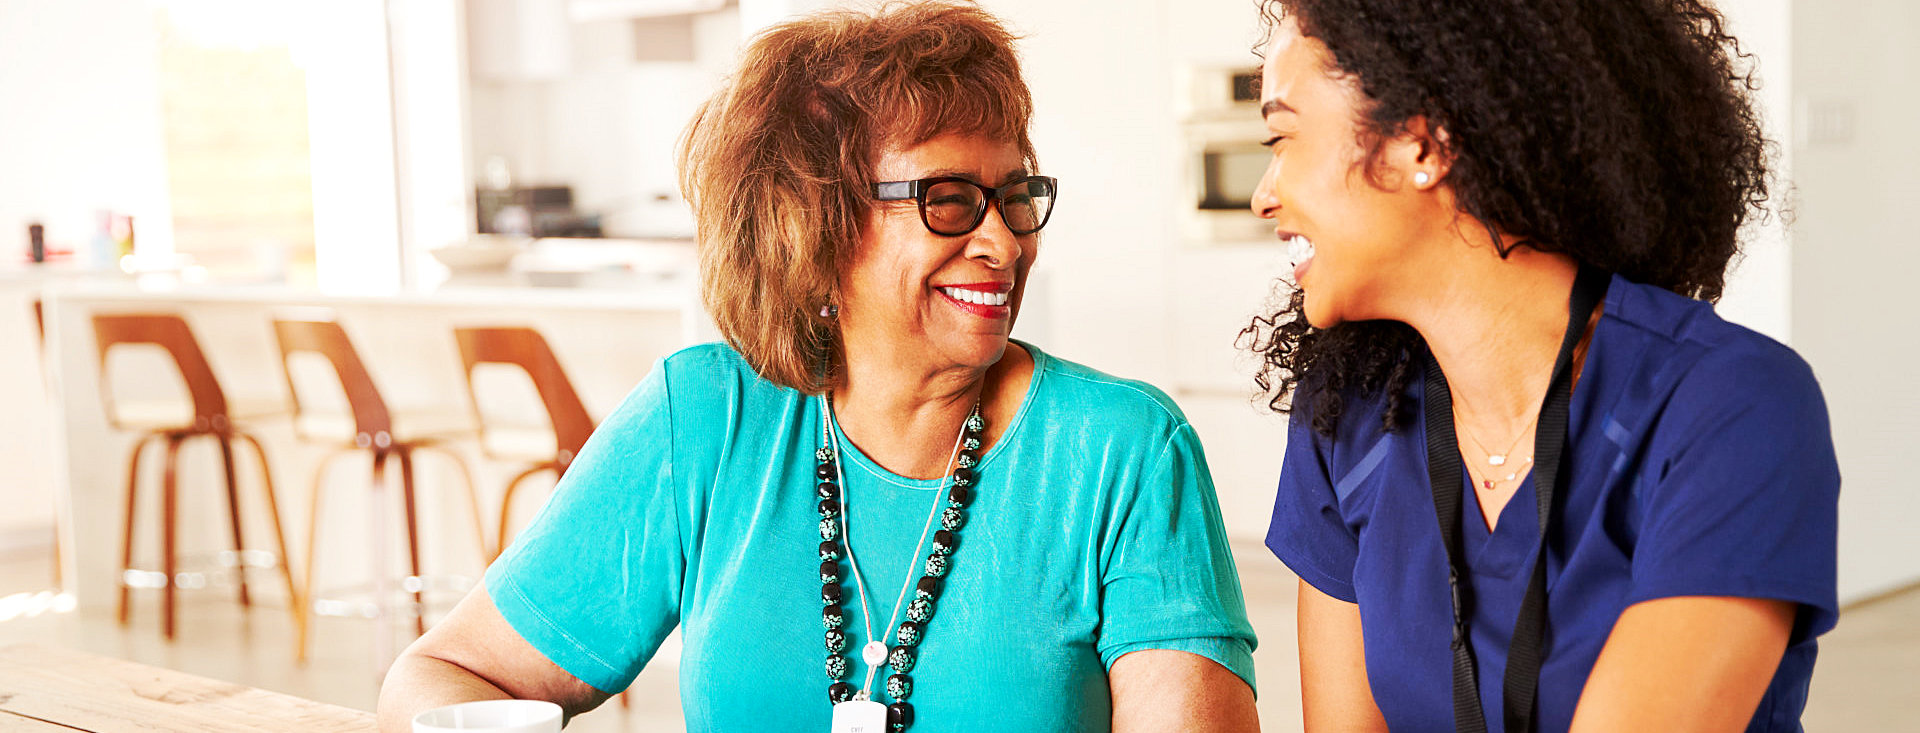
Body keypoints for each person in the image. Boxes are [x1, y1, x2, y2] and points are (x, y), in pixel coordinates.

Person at [377, 3, 1259, 731]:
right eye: (949, 200)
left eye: (1015, 196)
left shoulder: (1123, 451)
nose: (1003, 241)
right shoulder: (705, 419)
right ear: (817, 223)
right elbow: (444, 672)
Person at [1241, 0, 1838, 731]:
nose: (1262, 195)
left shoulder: (1731, 406)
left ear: (1420, 145)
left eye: (1282, 136)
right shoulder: (1347, 413)